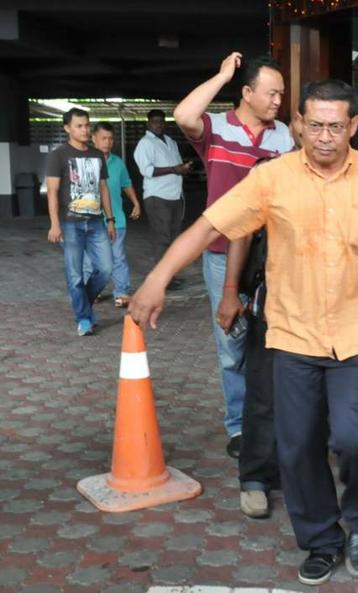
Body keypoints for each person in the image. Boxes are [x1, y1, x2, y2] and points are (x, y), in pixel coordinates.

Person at [129, 79, 358, 586]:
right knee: (297, 446)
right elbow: (210, 225)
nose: (326, 137)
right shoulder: (273, 178)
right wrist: (156, 279)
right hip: (292, 336)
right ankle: (320, 539)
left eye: (336, 126)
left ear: (353, 126)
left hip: (357, 334)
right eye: (315, 126)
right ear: (300, 125)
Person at [174, 53, 294, 505]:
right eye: (271, 93)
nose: (278, 101)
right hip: (223, 253)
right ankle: (240, 427)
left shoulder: (285, 137)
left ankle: (270, 424)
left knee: (267, 341)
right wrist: (221, 74)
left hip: (270, 257)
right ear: (246, 93)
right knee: (231, 344)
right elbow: (184, 115)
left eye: (282, 94)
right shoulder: (218, 130)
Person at [46, 108, 116, 336]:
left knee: (105, 270)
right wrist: (55, 224)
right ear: (67, 128)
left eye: (86, 125)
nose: (85, 129)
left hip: (96, 222)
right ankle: (84, 318)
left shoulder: (96, 155)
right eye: (79, 126)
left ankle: (82, 302)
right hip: (70, 223)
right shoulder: (58, 155)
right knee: (74, 275)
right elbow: (53, 192)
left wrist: (111, 219)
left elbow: (103, 188)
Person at [133, 109, 192, 288]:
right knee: (162, 238)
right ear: (148, 124)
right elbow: (148, 170)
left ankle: (170, 276)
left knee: (173, 238)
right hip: (158, 196)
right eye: (155, 121)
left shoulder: (171, 141)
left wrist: (183, 168)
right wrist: (175, 169)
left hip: (174, 195)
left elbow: (176, 165)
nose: (159, 124)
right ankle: (162, 280)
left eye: (161, 121)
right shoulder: (145, 144)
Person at [87, 122, 141, 308]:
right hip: (91, 220)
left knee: (118, 257)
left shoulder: (117, 162)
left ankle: (122, 292)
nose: (108, 142)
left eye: (111, 138)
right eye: (104, 138)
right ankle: (93, 291)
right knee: (91, 259)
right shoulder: (85, 160)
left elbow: (126, 183)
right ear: (93, 138)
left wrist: (135, 203)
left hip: (116, 219)